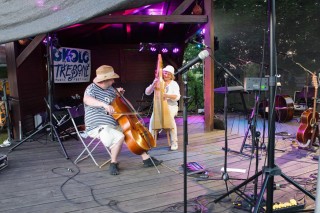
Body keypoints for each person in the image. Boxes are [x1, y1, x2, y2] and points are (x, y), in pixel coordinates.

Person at [83, 65, 163, 175]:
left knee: (132, 132)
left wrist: (118, 96)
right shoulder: (91, 89)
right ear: (104, 80)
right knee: (119, 136)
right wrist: (103, 105)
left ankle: (146, 159)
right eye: (111, 79)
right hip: (98, 125)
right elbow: (87, 100)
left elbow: (117, 105)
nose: (113, 81)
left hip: (114, 123)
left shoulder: (111, 89)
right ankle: (113, 163)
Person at [145, 65, 181, 151]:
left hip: (171, 106)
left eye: (168, 74)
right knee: (152, 121)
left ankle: (174, 142)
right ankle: (150, 142)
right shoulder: (158, 82)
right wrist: (154, 83)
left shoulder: (174, 84)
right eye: (165, 72)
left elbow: (177, 97)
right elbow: (147, 92)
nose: (166, 75)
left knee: (170, 120)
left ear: (171, 75)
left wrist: (167, 95)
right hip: (159, 107)